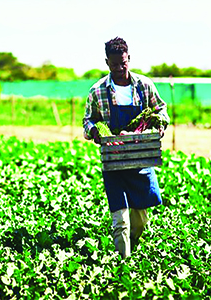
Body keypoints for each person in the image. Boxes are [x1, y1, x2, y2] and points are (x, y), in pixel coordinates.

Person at [83, 36, 170, 259]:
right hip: (114, 161)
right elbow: (88, 120)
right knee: (120, 219)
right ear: (107, 63)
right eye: (114, 65)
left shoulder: (144, 85)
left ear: (128, 58)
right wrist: (94, 131)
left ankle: (132, 249)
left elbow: (161, 110)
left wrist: (159, 126)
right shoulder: (98, 90)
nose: (120, 68)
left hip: (141, 159)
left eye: (123, 63)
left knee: (140, 221)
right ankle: (124, 261)